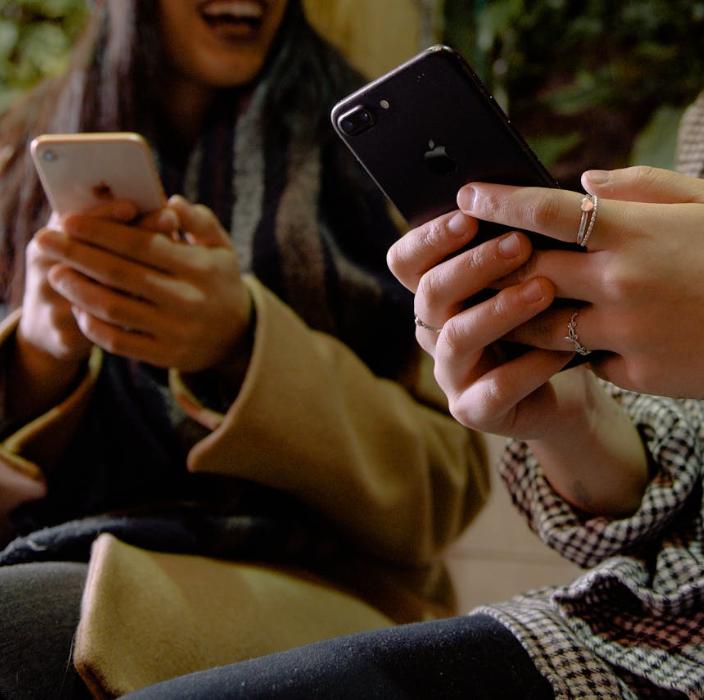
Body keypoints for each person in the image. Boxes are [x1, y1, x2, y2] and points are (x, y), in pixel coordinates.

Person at [0, 1, 488, 697]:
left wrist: (242, 345)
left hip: (320, 583)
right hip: (59, 545)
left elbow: (445, 490)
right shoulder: (20, 150)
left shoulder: (376, 152)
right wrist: (39, 358)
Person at [124, 133, 704, 697]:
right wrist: (576, 419)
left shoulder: (342, 184)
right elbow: (666, 501)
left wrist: (242, 345)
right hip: (646, 627)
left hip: (323, 568)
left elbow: (433, 492)